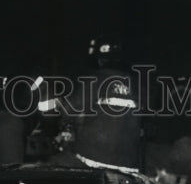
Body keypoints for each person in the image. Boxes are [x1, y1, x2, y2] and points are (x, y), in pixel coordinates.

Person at [53, 36, 143, 169]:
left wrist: (59, 106)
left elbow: (68, 111)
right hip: (128, 163)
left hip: (93, 159)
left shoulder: (94, 80)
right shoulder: (134, 84)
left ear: (99, 60)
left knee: (54, 165)